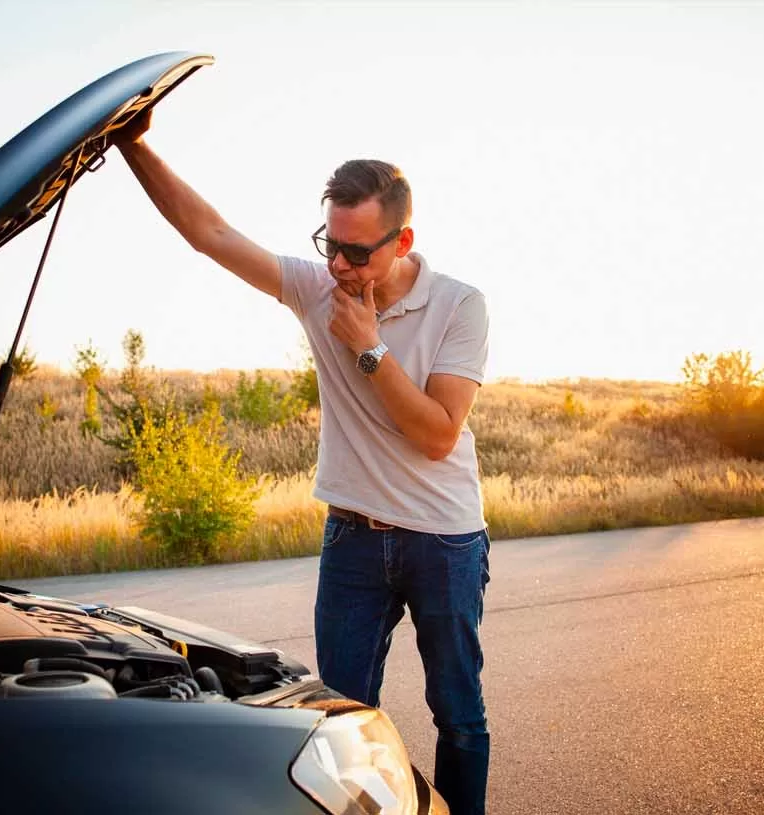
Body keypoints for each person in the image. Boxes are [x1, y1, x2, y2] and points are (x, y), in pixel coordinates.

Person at [113, 110, 492, 814]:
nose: (340, 267)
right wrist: (131, 144)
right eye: (330, 246)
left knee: (458, 716)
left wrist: (368, 347)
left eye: (357, 253)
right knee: (332, 723)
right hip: (352, 538)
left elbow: (438, 434)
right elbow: (211, 234)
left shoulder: (459, 305)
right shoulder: (318, 288)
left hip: (444, 539)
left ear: (402, 240)